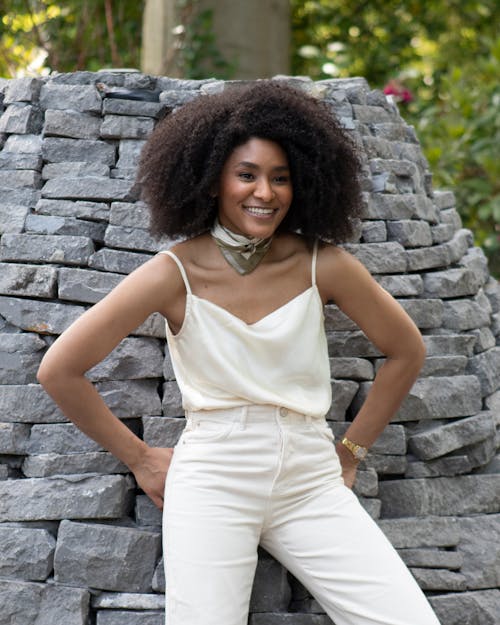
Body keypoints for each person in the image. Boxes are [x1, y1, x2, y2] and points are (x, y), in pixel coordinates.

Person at [37, 80, 442, 625]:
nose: (266, 192)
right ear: (211, 183)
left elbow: (405, 352)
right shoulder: (172, 273)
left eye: (281, 178)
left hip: (308, 477)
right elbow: (59, 369)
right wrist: (141, 459)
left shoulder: (325, 264)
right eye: (246, 174)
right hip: (213, 477)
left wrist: (350, 453)